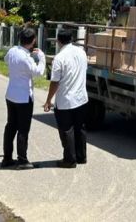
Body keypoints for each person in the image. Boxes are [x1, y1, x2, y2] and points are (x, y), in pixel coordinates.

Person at [43, 27, 88, 168]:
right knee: (79, 128)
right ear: (72, 39)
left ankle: (69, 160)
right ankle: (81, 157)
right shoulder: (81, 52)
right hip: (81, 99)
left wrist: (48, 100)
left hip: (65, 101)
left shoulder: (59, 58)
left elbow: (55, 82)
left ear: (58, 41)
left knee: (66, 130)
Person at [2, 27, 45, 169]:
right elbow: (38, 72)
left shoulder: (12, 51)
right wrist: (42, 59)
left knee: (10, 127)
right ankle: (22, 160)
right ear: (33, 41)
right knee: (23, 129)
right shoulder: (26, 58)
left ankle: (7, 158)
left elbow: (6, 60)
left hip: (11, 94)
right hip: (24, 98)